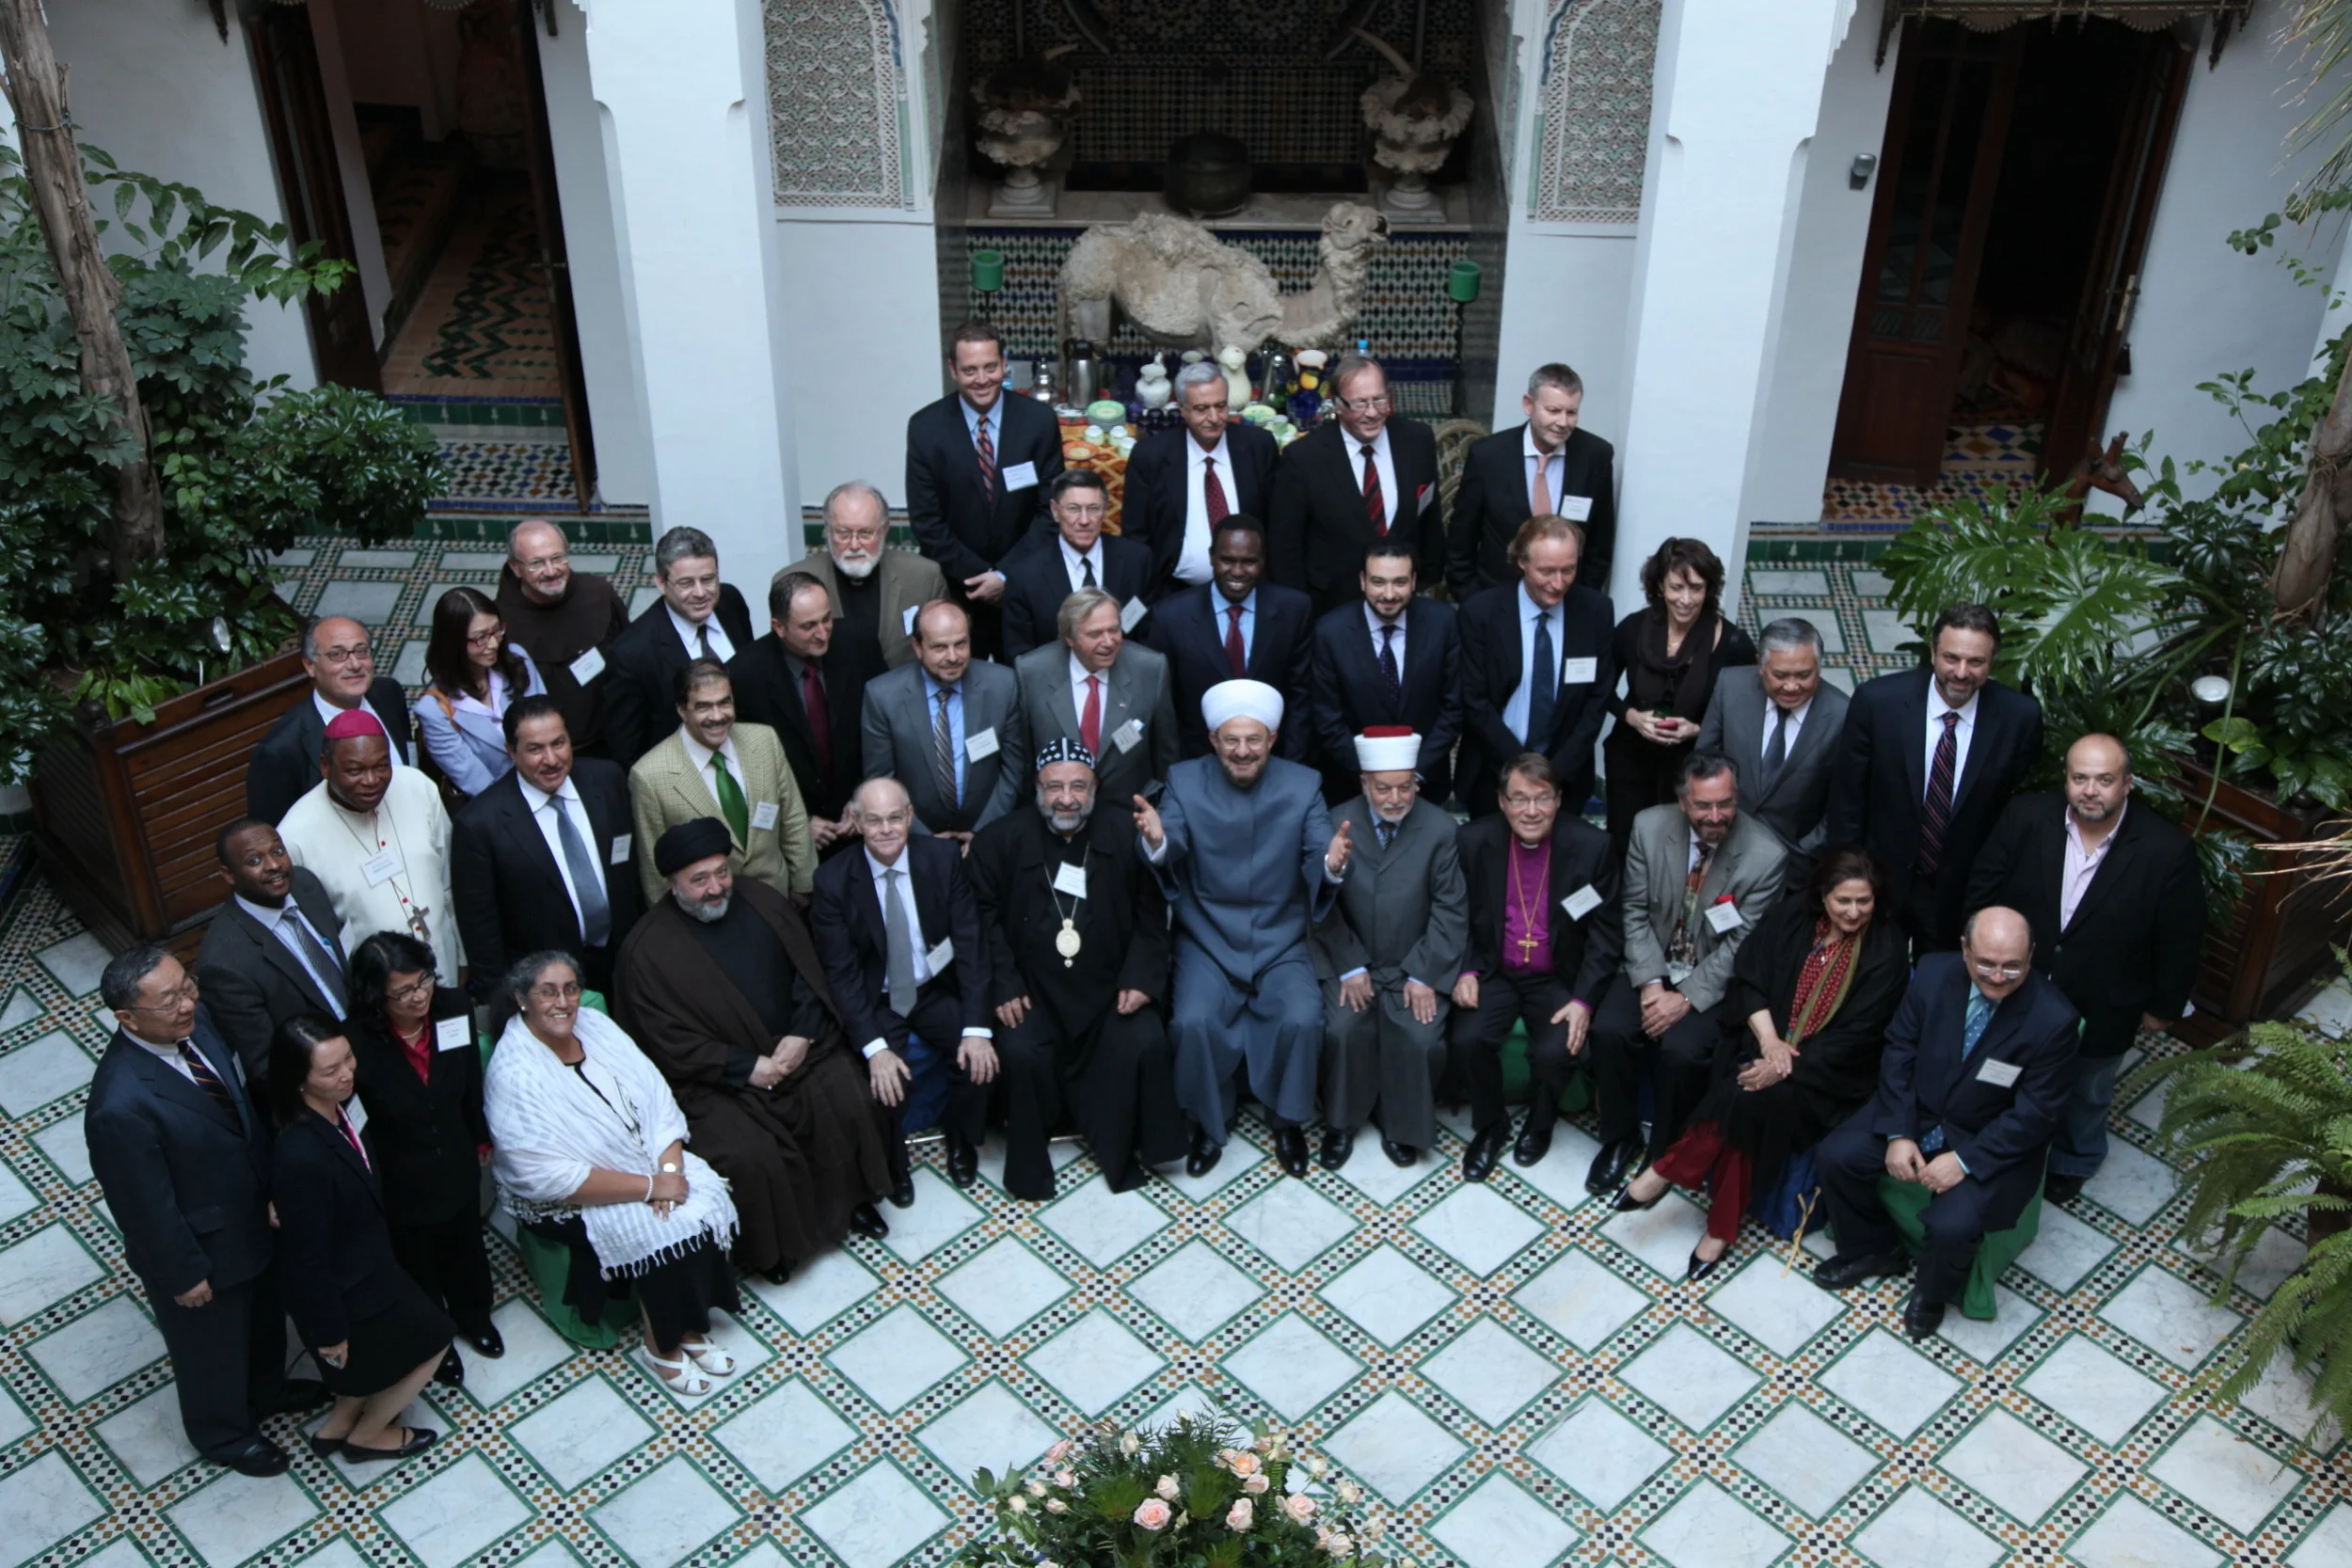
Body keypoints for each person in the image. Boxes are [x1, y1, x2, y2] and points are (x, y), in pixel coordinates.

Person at [613, 820, 894, 1281]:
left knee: (847, 1101)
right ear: (672, 884)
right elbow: (665, 1040)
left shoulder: (762, 901)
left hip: (798, 1053)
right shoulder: (645, 952)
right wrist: (746, 1068)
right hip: (718, 1082)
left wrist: (801, 1036)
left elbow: (809, 972)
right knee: (750, 1154)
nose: (715, 888)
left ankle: (852, 1206)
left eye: (721, 873)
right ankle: (776, 1250)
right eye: (698, 879)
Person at [1614, 848, 1910, 1279]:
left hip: (1826, 1079)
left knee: (1749, 1094)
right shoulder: (1793, 916)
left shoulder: (1887, 949)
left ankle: (1666, 1169)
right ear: (1823, 895)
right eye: (1843, 900)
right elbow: (1748, 975)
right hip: (1760, 1043)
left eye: (1863, 902)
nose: (1853, 911)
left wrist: (1784, 1064)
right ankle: (1720, 1229)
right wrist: (1770, 1043)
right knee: (1749, 1096)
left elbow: (1857, 1040)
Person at [86, 946, 326, 1477]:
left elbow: (238, 1112)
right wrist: (183, 1273)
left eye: (186, 986)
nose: (188, 1002)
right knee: (209, 1350)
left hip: (251, 1218)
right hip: (200, 1249)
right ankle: (224, 1433)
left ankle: (267, 1390)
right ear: (128, 1018)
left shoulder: (199, 1024)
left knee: (264, 1318)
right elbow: (143, 1204)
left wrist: (269, 1187)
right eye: (169, 1000)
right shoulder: (119, 1105)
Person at [485, 951, 745, 1393]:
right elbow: (546, 1178)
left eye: (570, 989)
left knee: (703, 1200)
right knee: (662, 1229)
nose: (563, 1002)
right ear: (521, 999)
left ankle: (687, 1328)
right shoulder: (514, 1073)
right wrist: (649, 1187)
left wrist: (668, 1168)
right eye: (547, 992)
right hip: (563, 1201)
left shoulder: (596, 1024)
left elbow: (656, 1094)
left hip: (645, 1161)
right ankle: (659, 1345)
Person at [1811, 908, 2079, 1338]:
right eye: (1986, 963)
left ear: (2031, 957)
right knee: (1836, 1155)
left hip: (1987, 1139)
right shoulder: (1934, 974)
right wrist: (1899, 1131)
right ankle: (1873, 1250)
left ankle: (1932, 1293)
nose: (1997, 976)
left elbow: (2036, 1114)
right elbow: (1900, 1048)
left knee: (1952, 1224)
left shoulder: (2053, 1021)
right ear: (1964, 949)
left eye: (2013, 965)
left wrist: (1966, 1160)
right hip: (1917, 1110)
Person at [1963, 734, 2204, 1203]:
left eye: (2104, 780)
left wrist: (2163, 1008)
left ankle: (2075, 1159)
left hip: (2104, 1003)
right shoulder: (2027, 817)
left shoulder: (2166, 851)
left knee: (2088, 1090)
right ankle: (1995, 1142)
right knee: (2001, 1069)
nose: (2090, 790)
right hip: (2016, 986)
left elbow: (2180, 940)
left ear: (2127, 784)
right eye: (2080, 778)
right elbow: (1982, 888)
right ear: (2067, 780)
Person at [1136, 679, 1346, 1180]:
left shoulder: (1305, 783)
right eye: (1231, 740)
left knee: (1301, 1017)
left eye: (1254, 739)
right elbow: (1173, 837)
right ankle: (1209, 1122)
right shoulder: (1183, 781)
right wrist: (1160, 842)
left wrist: (1332, 865)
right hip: (1206, 938)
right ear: (1213, 740)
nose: (1243, 750)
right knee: (1191, 1023)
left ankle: (1288, 1121)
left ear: (1273, 738)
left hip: (1281, 940)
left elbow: (1321, 847)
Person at [970, 739, 1185, 1199]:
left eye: (1077, 787)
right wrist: (1004, 984)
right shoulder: (999, 840)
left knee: (1145, 1039)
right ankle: (1032, 1158)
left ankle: (1134, 1142)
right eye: (1054, 787)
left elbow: (1153, 916)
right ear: (1036, 789)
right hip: (1032, 993)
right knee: (1022, 1051)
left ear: (1096, 788)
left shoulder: (1125, 833)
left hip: (1109, 991)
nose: (1066, 798)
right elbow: (980, 923)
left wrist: (1142, 978)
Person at [1584, 752, 1788, 1196]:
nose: (1716, 816)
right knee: (1610, 1031)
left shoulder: (1766, 856)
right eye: (1703, 806)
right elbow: (1634, 912)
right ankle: (1618, 1139)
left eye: (1725, 804)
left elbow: (1741, 946)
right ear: (1682, 802)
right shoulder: (1648, 828)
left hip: (1711, 978)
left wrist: (1687, 998)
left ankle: (1664, 1155)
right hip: (1651, 963)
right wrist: (1653, 984)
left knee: (1682, 1052)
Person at [266, 1015, 453, 1460]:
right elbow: (308, 1257)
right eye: (330, 1071)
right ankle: (368, 1434)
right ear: (299, 1081)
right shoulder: (300, 1155)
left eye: (347, 1059)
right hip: (349, 1285)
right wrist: (329, 1331)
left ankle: (340, 1421)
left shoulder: (335, 1109)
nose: (347, 1073)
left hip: (368, 1259)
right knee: (435, 1338)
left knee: (363, 1365)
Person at [809, 778, 998, 1205]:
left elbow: (971, 944)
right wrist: (875, 1048)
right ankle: (893, 1166)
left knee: (978, 1059)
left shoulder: (943, 858)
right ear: (855, 822)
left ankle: (960, 1140)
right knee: (881, 1079)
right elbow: (841, 975)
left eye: (895, 818)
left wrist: (977, 1028)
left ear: (910, 817)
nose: (886, 829)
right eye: (873, 821)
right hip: (878, 999)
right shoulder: (833, 882)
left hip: (932, 988)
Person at [1826, 604, 2044, 952]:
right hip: (1879, 881)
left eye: (1976, 662)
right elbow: (1847, 797)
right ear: (1932, 653)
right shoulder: (1878, 702)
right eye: (1951, 658)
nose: (1961, 672)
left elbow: (2012, 810)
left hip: (1960, 892)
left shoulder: (2019, 718)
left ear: (1993, 661)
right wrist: (1849, 878)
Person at [1448, 753, 1623, 1180]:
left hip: (1558, 978)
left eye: (1542, 799)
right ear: (1502, 801)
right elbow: (1455, 912)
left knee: (1552, 1051)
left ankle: (1540, 1124)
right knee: (1467, 1039)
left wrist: (1583, 999)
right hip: (1495, 973)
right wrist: (1466, 969)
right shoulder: (1473, 841)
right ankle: (1490, 1125)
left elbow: (1606, 933)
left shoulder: (1592, 847)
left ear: (1559, 800)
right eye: (1520, 799)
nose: (1531, 811)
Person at [341, 932, 501, 1377]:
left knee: (466, 1242)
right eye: (403, 992)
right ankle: (435, 1338)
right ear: (377, 996)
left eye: (423, 981)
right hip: (400, 1170)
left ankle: (474, 1315)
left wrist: (479, 1135)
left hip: (453, 1152)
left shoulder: (453, 1007)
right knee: (416, 1260)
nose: (419, 996)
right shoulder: (356, 1040)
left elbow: (470, 1077)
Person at [1311, 728, 1466, 1170]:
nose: (1395, 798)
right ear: (1364, 785)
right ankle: (1341, 1123)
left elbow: (1450, 910)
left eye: (1405, 786)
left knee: (1418, 1036)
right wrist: (1348, 965)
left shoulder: (1439, 828)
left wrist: (1424, 975)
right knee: (1341, 1028)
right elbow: (1320, 906)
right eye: (1383, 788)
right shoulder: (1334, 822)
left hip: (1411, 965)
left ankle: (1402, 1125)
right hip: (1351, 962)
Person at [450, 696, 643, 994]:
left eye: (559, 743)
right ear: (511, 752)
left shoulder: (607, 780)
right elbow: (481, 932)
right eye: (535, 749)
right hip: (546, 988)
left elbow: (630, 868)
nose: (551, 760)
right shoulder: (479, 825)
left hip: (627, 964)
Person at [905, 321, 1066, 655]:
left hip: (1024, 588)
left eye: (990, 367)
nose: (982, 380)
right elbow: (927, 522)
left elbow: (1049, 510)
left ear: (1004, 363)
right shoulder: (925, 428)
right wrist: (982, 577)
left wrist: (1006, 576)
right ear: (952, 369)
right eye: (970, 370)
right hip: (956, 591)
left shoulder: (1039, 421)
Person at [280, 715, 465, 986]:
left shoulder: (417, 786)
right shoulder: (295, 836)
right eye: (355, 771)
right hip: (377, 988)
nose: (371, 780)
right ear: (325, 766)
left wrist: (462, 958)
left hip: (444, 961)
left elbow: (450, 882)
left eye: (382, 766)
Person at [1602, 537, 1757, 855]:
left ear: (1709, 590)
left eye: (1696, 588)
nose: (1686, 599)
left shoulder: (1733, 645)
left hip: (1694, 766)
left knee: (1679, 849)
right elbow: (1599, 687)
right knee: (1624, 842)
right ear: (1660, 586)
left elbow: (1747, 719)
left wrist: (1697, 729)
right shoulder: (1632, 629)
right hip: (1630, 758)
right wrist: (1632, 717)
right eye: (1676, 588)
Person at [1457, 515, 1615, 818]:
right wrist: (1522, 770)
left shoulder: (1595, 611)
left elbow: (1597, 699)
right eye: (1546, 571)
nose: (1558, 583)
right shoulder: (1481, 613)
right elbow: (1474, 701)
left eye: (1568, 570)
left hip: (1566, 777)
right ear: (1521, 562)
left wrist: (1555, 773)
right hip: (1494, 772)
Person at [1268, 355, 1445, 612]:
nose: (1372, 413)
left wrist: (1428, 578)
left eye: (1379, 400)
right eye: (1360, 404)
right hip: (1331, 606)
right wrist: (1299, 611)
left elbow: (1430, 514)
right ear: (1337, 404)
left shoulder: (1417, 440)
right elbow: (1285, 548)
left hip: (1402, 601)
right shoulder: (1304, 458)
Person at [628, 658, 814, 904]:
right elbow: (654, 869)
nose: (717, 716)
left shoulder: (764, 740)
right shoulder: (650, 775)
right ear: (682, 710)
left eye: (724, 703)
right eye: (704, 707)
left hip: (776, 898)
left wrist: (804, 885)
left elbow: (792, 817)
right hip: (706, 913)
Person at [1146, 515, 1315, 762]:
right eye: (1227, 560)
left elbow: (1302, 696)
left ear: (1263, 561)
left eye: (1249, 562)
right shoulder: (1171, 616)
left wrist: (1291, 763)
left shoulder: (1294, 610)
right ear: (1212, 557)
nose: (1237, 571)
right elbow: (1163, 706)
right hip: (1197, 762)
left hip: (1274, 761)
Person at [196, 817, 352, 1081]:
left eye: (277, 851)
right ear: (229, 875)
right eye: (254, 861)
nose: (274, 866)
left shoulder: (304, 884)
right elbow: (265, 1065)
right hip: (318, 1081)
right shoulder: (224, 963)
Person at [1308, 538, 1462, 804]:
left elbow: (1454, 707)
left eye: (1399, 582)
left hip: (1425, 783)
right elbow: (1327, 718)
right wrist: (1371, 774)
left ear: (1414, 581)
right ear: (1362, 581)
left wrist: (1415, 774)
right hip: (1353, 785)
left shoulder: (1443, 623)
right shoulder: (1331, 632)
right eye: (1378, 582)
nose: (1389, 594)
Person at [1446, 363, 1617, 602]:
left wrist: (1582, 601)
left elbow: (1600, 544)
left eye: (1571, 412)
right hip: (1495, 601)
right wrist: (1473, 601)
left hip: (1566, 601)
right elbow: (1461, 541)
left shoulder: (1595, 456)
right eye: (1553, 410)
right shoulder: (1488, 456)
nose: (1563, 422)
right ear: (1528, 404)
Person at [861, 600, 1026, 844]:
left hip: (989, 836)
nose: (953, 657)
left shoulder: (1003, 685)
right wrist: (924, 840)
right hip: (917, 841)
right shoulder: (883, 696)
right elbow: (881, 781)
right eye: (939, 647)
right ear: (917, 647)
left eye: (960, 644)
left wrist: (983, 833)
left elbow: (1013, 770)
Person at [1695, 617, 1850, 868]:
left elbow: (1843, 801)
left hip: (1792, 861)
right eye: (1780, 675)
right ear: (1760, 665)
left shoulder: (1842, 715)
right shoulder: (1731, 685)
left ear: (1819, 668)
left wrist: (1806, 851)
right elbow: (1704, 760)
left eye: (1804, 675)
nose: (1791, 686)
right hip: (1719, 844)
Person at [600, 526, 758, 767]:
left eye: (708, 579)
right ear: (661, 583)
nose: (700, 593)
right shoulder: (632, 653)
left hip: (747, 756)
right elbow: (628, 749)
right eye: (686, 583)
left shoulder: (731, 602)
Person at [1123, 358, 1279, 600]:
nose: (1214, 417)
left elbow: (1276, 523)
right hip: (1175, 593)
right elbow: (1136, 535)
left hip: (1252, 590)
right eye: (1201, 409)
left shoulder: (1258, 447)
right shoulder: (1151, 456)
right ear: (1182, 409)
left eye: (1221, 406)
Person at [730, 570, 863, 854]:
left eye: (827, 619)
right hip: (795, 842)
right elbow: (747, 770)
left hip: (858, 826)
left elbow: (879, 728)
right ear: (779, 627)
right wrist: (797, 822)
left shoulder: (856, 643)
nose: (823, 632)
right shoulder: (744, 675)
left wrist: (864, 796)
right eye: (808, 626)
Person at [1013, 588, 1181, 809]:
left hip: (1129, 812)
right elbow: (1023, 756)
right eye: (1095, 634)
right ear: (1069, 637)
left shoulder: (1150, 669)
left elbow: (1166, 753)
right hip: (1058, 814)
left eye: (1114, 630)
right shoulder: (1031, 672)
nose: (1109, 642)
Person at [246, 616, 417, 824]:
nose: (354, 664)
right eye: (337, 655)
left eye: (361, 651)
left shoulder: (388, 694)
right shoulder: (280, 750)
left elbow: (410, 758)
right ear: (310, 665)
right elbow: (273, 832)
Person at [781, 479, 946, 681]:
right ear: (828, 531)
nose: (854, 544)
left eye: (866, 533)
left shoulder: (924, 576)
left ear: (885, 530)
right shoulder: (792, 582)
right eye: (843, 533)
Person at [495, 518, 630, 755]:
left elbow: (628, 652)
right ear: (515, 568)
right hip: (550, 753)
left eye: (558, 558)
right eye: (537, 563)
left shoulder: (598, 593)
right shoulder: (501, 624)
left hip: (615, 733)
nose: (551, 571)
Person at [999, 469, 1154, 659]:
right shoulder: (1024, 575)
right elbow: (1020, 654)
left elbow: (1146, 634)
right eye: (1073, 509)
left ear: (1105, 509)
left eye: (1093, 508)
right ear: (1055, 511)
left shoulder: (1137, 561)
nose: (1084, 520)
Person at [415, 585, 549, 800]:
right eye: (480, 638)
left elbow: (547, 723)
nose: (494, 643)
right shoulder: (434, 711)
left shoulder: (517, 661)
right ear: (453, 644)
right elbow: (476, 781)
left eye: (497, 630)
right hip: (504, 806)